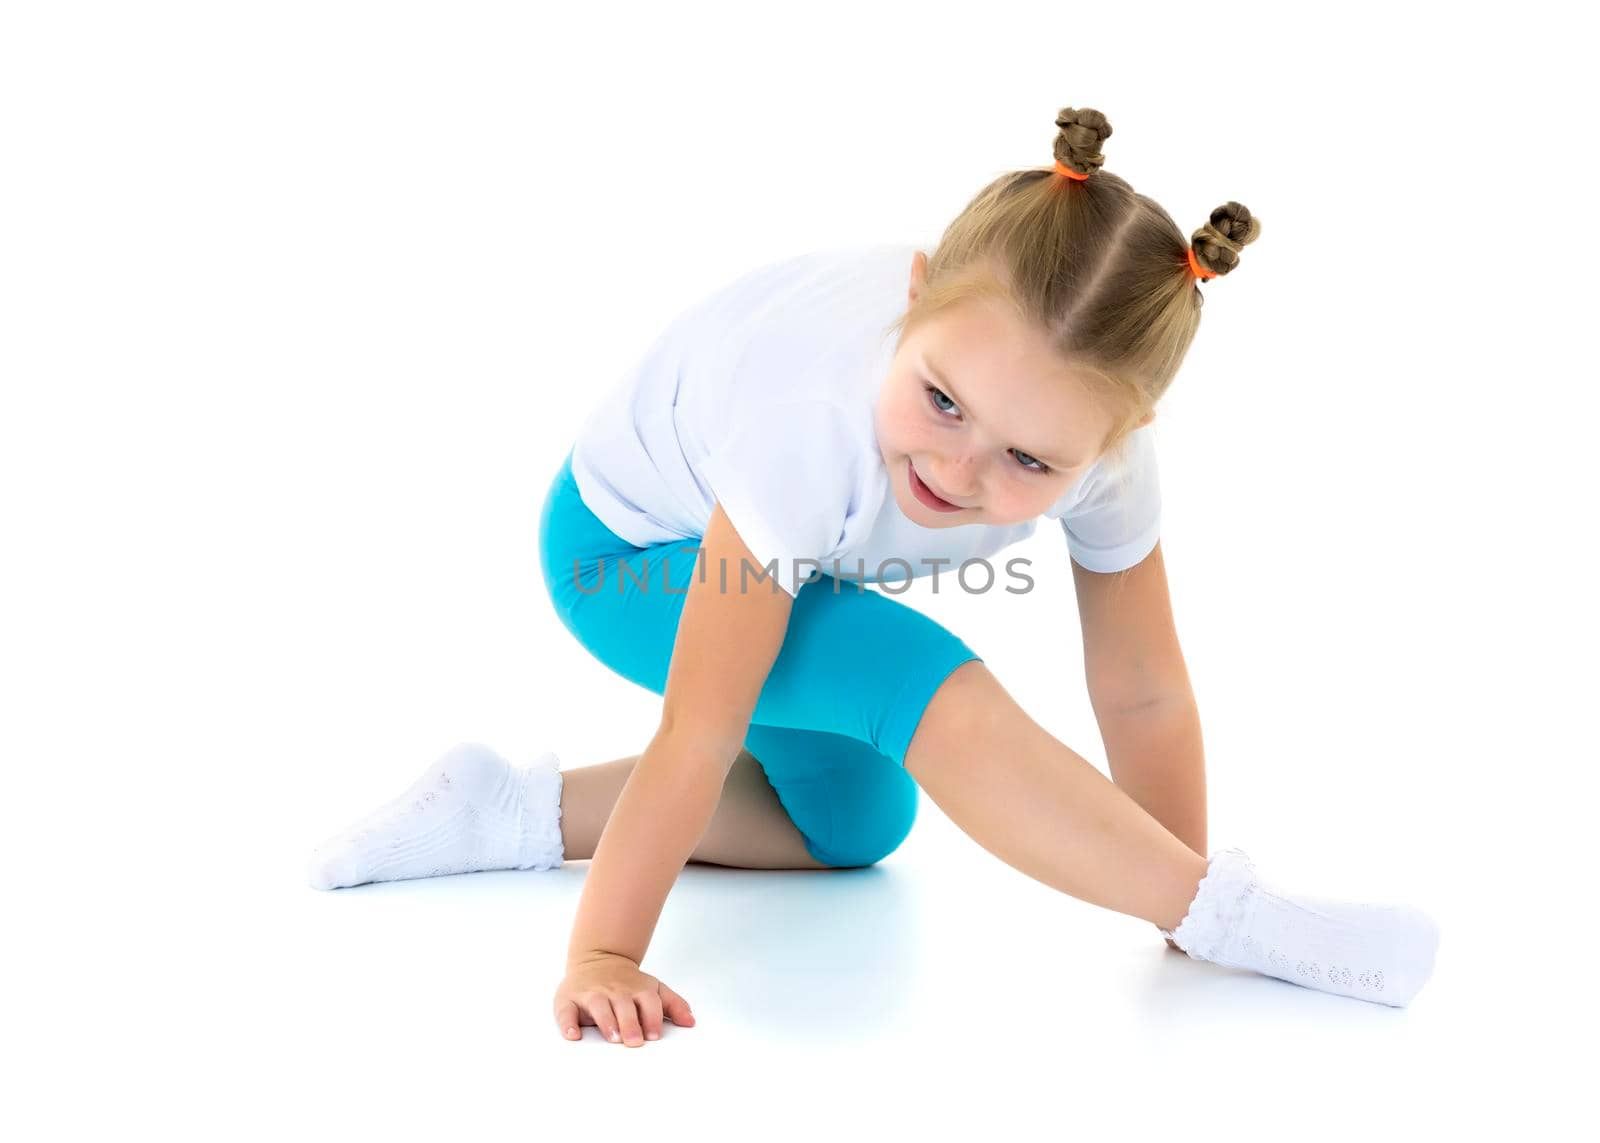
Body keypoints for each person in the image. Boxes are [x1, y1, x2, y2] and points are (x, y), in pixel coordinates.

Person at [306, 105, 1442, 1045]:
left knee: (848, 820)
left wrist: (1167, 895)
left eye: (1029, 460)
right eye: (943, 401)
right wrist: (603, 953)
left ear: (1113, 442)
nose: (957, 467)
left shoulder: (1108, 461)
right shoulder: (808, 421)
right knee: (917, 681)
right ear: (916, 294)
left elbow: (1141, 686)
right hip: (624, 556)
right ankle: (1254, 916)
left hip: (784, 564)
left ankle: (504, 810)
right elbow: (699, 730)